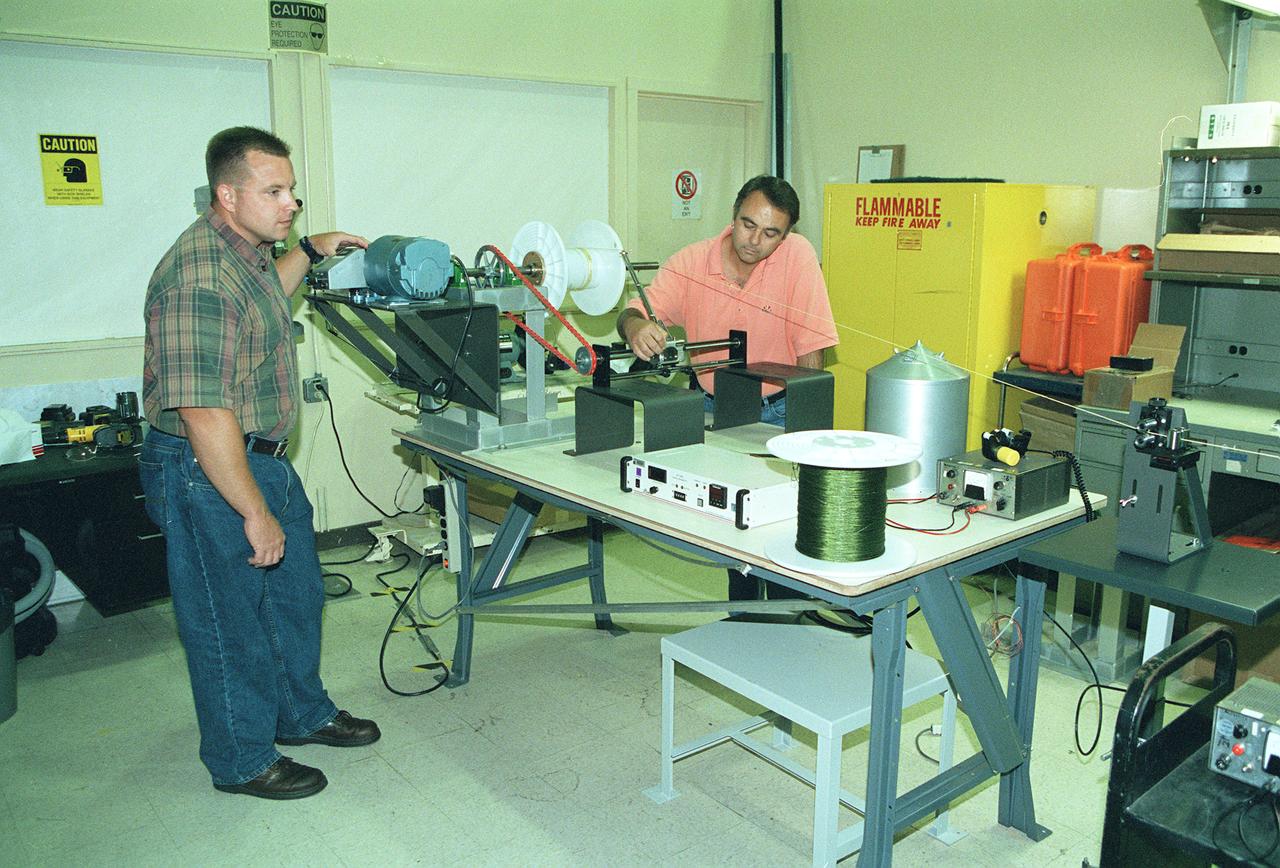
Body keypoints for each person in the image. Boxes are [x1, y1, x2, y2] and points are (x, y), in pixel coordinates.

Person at [140, 126, 374, 800]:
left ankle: (299, 714)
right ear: (227, 193)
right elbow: (203, 413)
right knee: (227, 620)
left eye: (291, 189)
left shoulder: (244, 254)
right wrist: (253, 512)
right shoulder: (198, 277)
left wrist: (308, 249)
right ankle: (242, 757)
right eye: (274, 191)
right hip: (207, 466)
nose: (291, 202)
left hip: (257, 457)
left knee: (294, 598)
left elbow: (270, 292)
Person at [616, 175, 838, 603]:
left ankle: (798, 615)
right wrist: (637, 327)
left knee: (789, 524)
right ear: (733, 215)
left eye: (771, 232)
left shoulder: (797, 257)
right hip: (714, 413)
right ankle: (746, 620)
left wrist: (812, 432)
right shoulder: (691, 263)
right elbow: (634, 311)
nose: (755, 240)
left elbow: (812, 347)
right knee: (732, 524)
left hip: (781, 409)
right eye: (748, 224)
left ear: (788, 234)